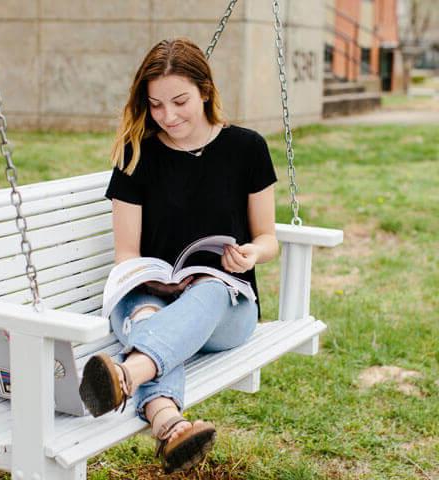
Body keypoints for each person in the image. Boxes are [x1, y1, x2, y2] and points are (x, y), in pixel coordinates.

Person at [78, 37, 279, 474]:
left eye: (180, 101)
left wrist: (249, 254)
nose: (168, 116)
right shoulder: (137, 154)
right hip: (150, 297)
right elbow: (127, 253)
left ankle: (127, 375)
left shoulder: (247, 148)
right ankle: (170, 424)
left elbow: (268, 238)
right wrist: (149, 281)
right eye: (155, 105)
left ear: (205, 90)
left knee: (206, 290)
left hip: (224, 306)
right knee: (151, 316)